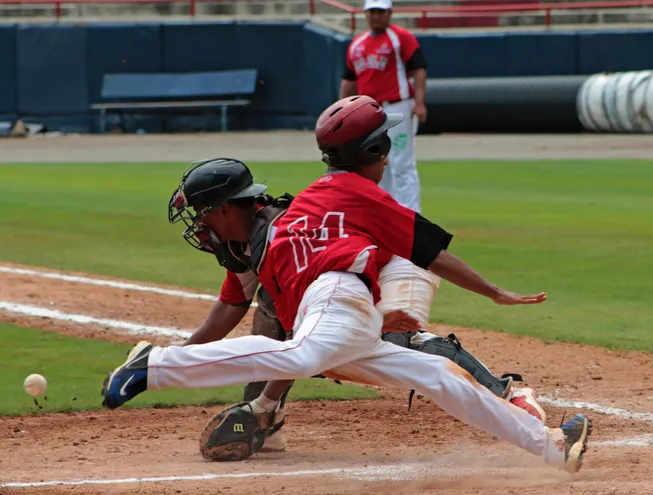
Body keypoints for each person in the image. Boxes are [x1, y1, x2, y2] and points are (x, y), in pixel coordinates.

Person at [101, 95, 591, 474]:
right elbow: (427, 253)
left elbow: (425, 254)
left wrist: (488, 292)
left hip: (341, 292)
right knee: (308, 355)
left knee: (426, 374)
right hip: (337, 294)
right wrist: (490, 293)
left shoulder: (310, 207)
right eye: (385, 145)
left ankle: (553, 447)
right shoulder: (303, 217)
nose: (388, 155)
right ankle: (157, 364)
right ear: (373, 150)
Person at [171, 168, 546, 455]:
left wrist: (263, 403)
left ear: (224, 210)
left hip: (393, 264)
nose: (199, 229)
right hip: (345, 282)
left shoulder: (277, 241)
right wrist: (171, 361)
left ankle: (508, 396)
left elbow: (297, 338)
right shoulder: (244, 244)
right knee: (286, 323)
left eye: (201, 217)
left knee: (391, 340)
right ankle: (269, 420)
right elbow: (228, 308)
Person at [340, 0, 426, 212]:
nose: (376, 16)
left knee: (401, 164)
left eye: (380, 11)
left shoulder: (401, 38)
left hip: (398, 107)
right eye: (372, 11)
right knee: (376, 163)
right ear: (365, 14)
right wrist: (341, 110)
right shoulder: (357, 44)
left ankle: (410, 214)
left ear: (389, 13)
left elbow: (418, 69)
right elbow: (349, 80)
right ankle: (386, 211)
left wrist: (420, 102)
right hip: (368, 111)